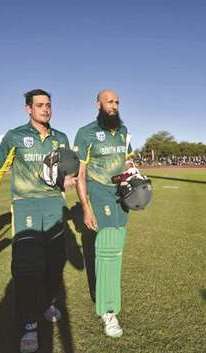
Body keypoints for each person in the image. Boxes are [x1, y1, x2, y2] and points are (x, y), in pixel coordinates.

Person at [0, 89, 76, 353]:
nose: (45, 109)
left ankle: (46, 303)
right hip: (25, 205)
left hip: (55, 205)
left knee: (55, 261)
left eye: (48, 105)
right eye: (39, 105)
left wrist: (66, 180)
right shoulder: (15, 136)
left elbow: (64, 173)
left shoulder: (61, 138)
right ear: (28, 109)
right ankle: (28, 325)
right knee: (27, 266)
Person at [73, 89, 134, 338]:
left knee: (115, 248)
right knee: (108, 248)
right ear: (98, 104)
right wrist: (86, 207)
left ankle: (105, 295)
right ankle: (108, 311)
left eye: (117, 101)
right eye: (110, 101)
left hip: (121, 197)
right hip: (99, 195)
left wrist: (133, 177)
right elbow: (80, 174)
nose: (114, 105)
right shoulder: (86, 132)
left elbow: (128, 161)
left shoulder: (123, 131)